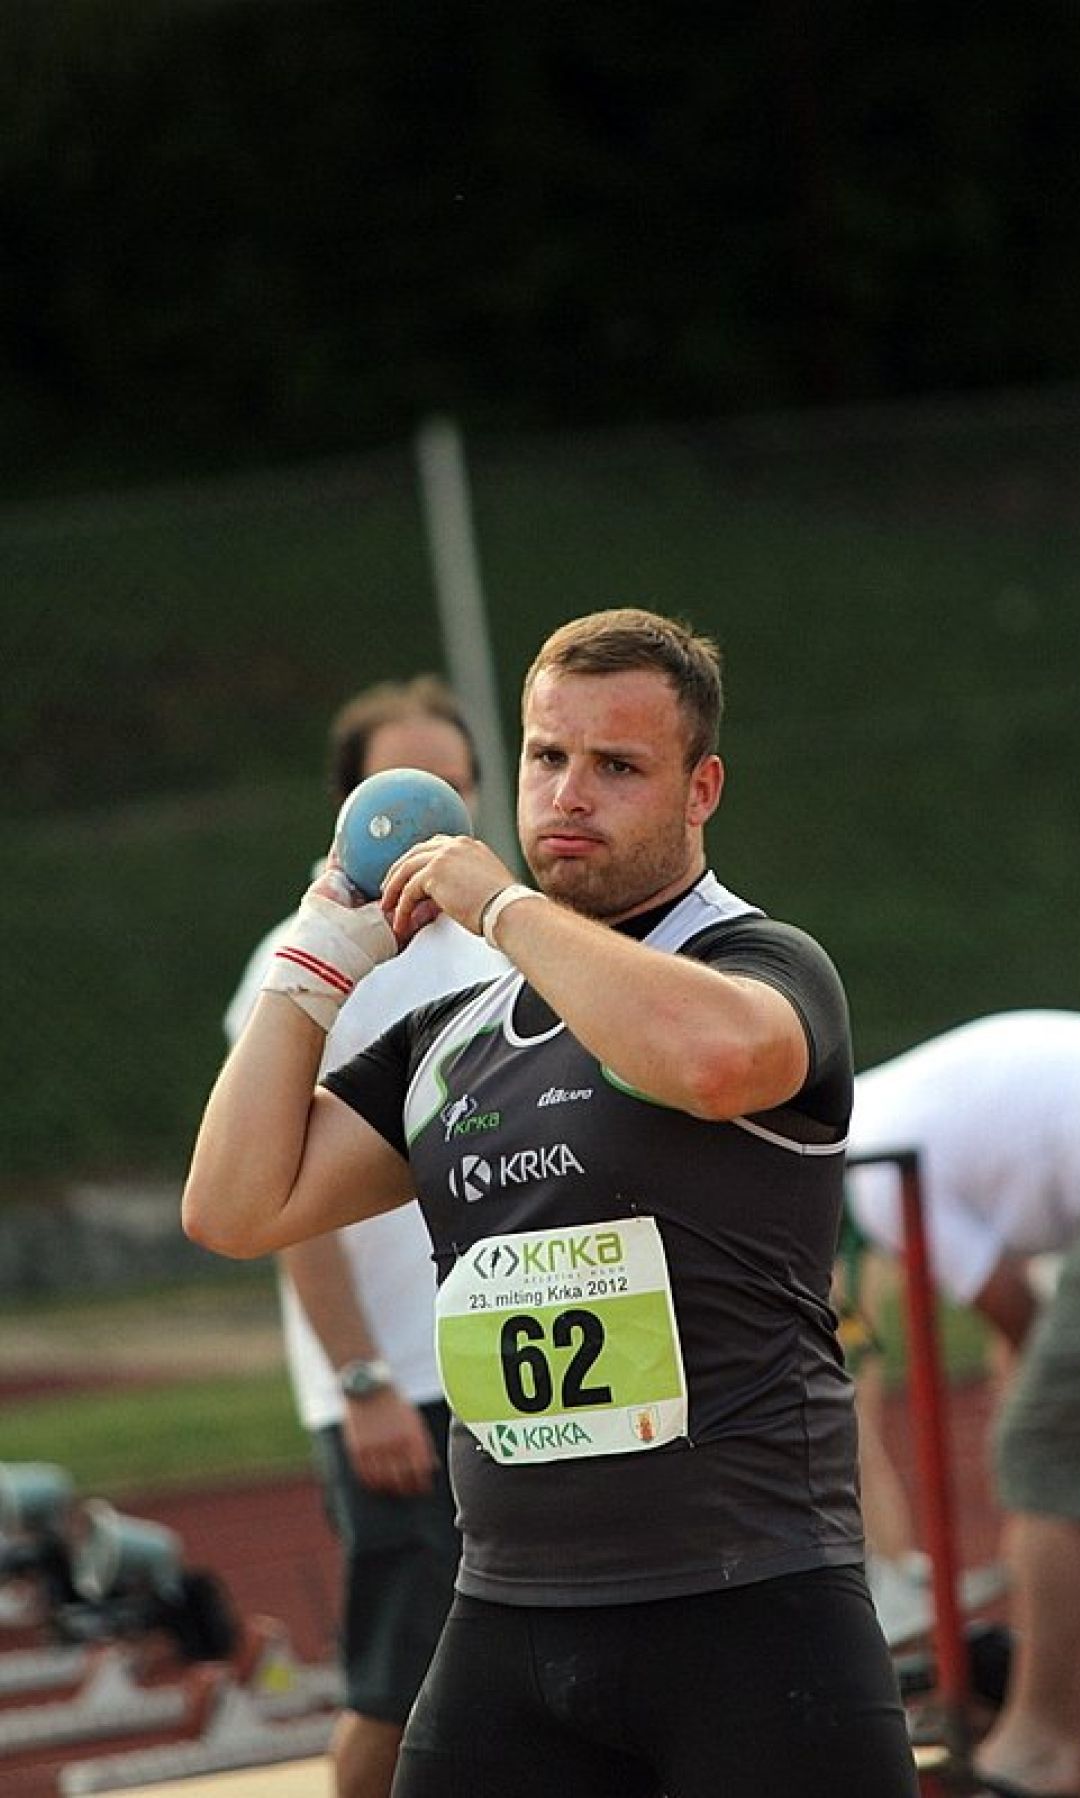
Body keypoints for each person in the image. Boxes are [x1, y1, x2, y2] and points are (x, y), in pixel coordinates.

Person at [184, 607, 919, 1798]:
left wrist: (501, 909)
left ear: (701, 789)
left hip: (751, 1610)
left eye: (617, 766)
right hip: (510, 1623)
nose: (569, 794)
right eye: (546, 756)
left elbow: (711, 1064)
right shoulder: (450, 1039)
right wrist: (316, 957)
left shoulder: (762, 968)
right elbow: (232, 1206)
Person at [224, 675, 509, 1798]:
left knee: (515, 1672)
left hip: (503, 1363)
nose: (432, 810)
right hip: (396, 1388)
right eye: (404, 786)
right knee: (402, 1689)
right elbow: (275, 1194)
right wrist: (362, 1381)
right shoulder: (305, 960)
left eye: (455, 782)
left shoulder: (501, 941)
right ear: (352, 804)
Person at [844, 1009, 1080, 1797]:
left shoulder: (871, 1170)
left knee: (1046, 1451)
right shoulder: (883, 1105)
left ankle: (1038, 1744)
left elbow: (1011, 1306)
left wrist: (1049, 1438)